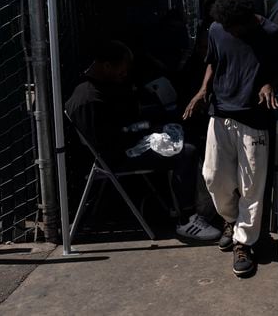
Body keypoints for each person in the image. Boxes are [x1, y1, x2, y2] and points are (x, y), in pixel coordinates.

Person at [64, 40, 221, 243]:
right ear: (107, 66)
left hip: (126, 144)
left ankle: (195, 206)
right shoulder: (89, 98)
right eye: (123, 68)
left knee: (184, 135)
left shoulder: (104, 87)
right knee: (186, 152)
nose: (126, 73)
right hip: (116, 157)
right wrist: (146, 130)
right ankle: (186, 219)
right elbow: (108, 141)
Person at [183, 0, 278, 278]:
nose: (228, 31)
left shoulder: (272, 33)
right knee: (213, 177)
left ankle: (243, 243)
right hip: (220, 113)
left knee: (252, 186)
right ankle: (231, 221)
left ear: (248, 21)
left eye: (233, 28)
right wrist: (203, 90)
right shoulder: (218, 28)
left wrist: (268, 84)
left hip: (254, 118)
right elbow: (213, 63)